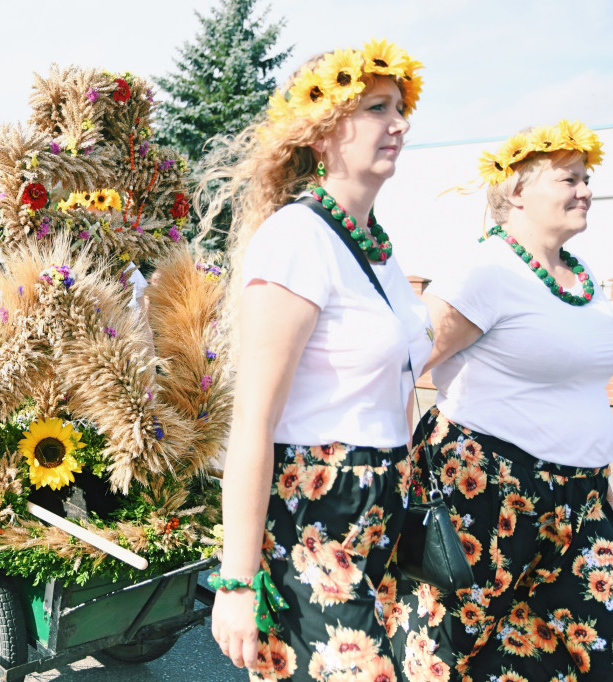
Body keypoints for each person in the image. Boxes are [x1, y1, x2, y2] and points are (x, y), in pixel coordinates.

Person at [203, 40, 431, 679]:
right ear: (325, 130)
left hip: (386, 511)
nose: (399, 124)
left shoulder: (377, 250)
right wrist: (237, 581)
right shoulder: (297, 239)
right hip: (317, 518)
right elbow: (252, 421)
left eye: (400, 108)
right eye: (378, 108)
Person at [389, 122, 613, 680]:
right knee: (458, 655)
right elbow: (399, 369)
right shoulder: (485, 272)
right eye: (570, 178)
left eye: (587, 178)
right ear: (516, 192)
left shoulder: (583, 275)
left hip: (579, 499)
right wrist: (397, 475)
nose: (586, 189)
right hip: (487, 497)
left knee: (599, 654)